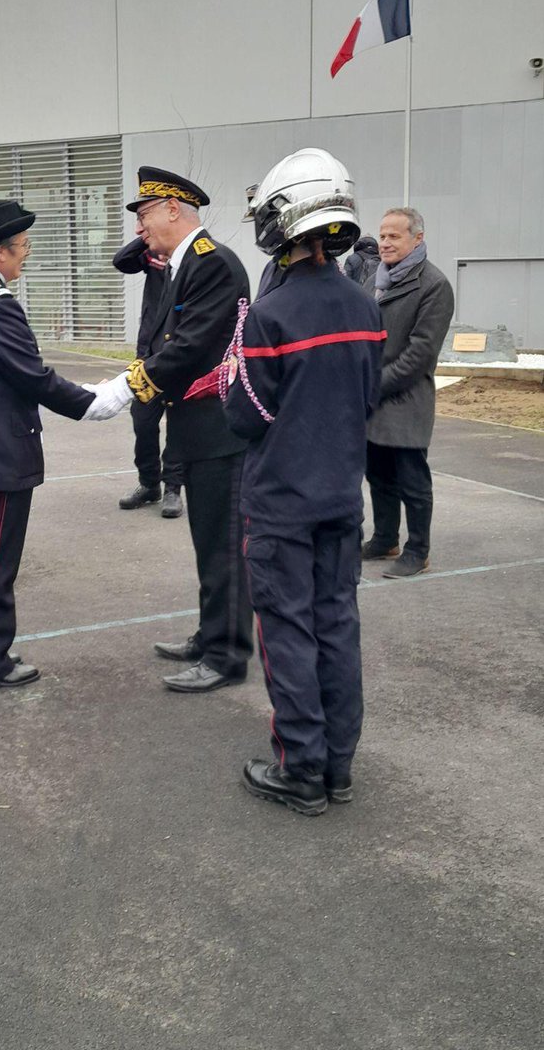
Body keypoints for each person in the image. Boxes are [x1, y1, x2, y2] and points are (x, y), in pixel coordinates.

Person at [223, 148, 385, 816]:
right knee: (337, 627)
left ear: (281, 221)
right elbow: (368, 398)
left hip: (283, 504)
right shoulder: (363, 304)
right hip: (342, 497)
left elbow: (244, 413)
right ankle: (339, 767)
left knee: (287, 632)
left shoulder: (271, 315)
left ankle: (302, 768)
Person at [0, 199, 114, 689]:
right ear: (2, 252)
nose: (27, 255)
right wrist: (95, 402)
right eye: (24, 247)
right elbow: (34, 378)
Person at [99, 166, 254, 693]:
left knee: (224, 547)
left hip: (219, 431)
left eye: (144, 215)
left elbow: (186, 347)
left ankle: (227, 655)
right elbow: (171, 338)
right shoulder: (180, 264)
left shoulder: (213, 265)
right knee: (207, 542)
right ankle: (212, 634)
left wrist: (127, 387)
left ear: (173, 209)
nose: (139, 227)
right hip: (197, 427)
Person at [362, 207, 455, 578]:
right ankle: (385, 539)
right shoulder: (374, 280)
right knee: (378, 474)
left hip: (406, 397)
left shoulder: (434, 285)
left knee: (412, 480)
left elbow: (420, 354)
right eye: (382, 236)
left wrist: (371, 386)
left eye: (394, 236)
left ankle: (419, 549)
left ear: (418, 238)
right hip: (372, 397)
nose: (385, 242)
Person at [112, 236, 184, 518]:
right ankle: (149, 483)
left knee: (178, 423)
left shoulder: (191, 259)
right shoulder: (152, 253)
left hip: (179, 355)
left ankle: (173, 490)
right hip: (148, 355)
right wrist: (146, 238)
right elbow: (122, 261)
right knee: (142, 420)